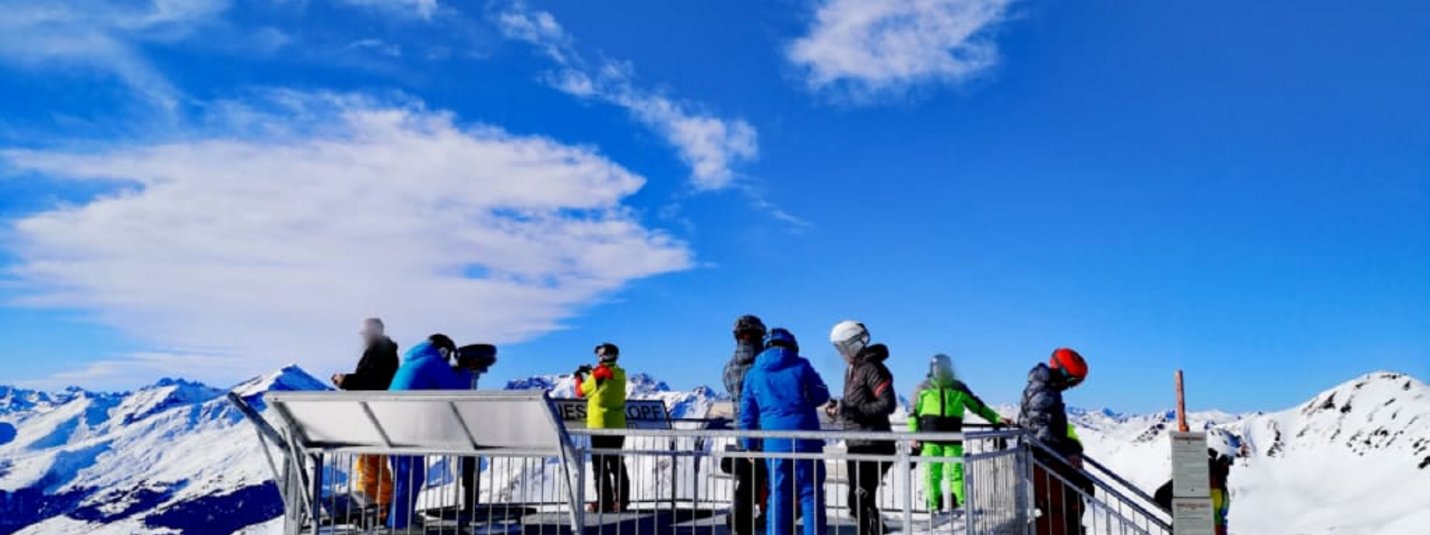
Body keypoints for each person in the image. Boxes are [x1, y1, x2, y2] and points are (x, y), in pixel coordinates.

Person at [738, 328, 830, 535]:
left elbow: (747, 414)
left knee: (778, 495)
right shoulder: (802, 365)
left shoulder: (754, 373)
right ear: (792, 345)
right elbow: (821, 396)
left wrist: (749, 446)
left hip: (774, 442)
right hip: (806, 440)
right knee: (810, 494)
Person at [907, 354, 1010, 512]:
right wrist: (913, 436)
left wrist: (995, 418)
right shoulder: (923, 388)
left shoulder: (958, 387)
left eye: (943, 368)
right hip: (929, 438)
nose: (940, 371)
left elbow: (978, 406)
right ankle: (933, 506)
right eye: (936, 368)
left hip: (953, 437)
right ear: (931, 369)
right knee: (931, 472)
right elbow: (913, 413)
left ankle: (960, 504)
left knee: (955, 471)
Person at [386, 334, 466, 530]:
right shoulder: (433, 362)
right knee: (411, 475)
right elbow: (457, 389)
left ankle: (399, 520)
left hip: (392, 424)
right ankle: (400, 526)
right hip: (408, 426)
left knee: (405, 476)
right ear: (443, 351)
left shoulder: (413, 361)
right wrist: (465, 371)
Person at [827, 320, 898, 535]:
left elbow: (888, 404)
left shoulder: (873, 368)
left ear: (854, 344)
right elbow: (856, 403)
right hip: (857, 445)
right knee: (855, 503)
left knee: (861, 499)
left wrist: (849, 411)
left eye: (842, 347)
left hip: (874, 444)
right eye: (837, 348)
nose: (840, 353)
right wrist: (839, 409)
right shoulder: (852, 370)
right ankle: (877, 531)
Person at [331, 318, 400, 519]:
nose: (362, 336)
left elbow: (372, 381)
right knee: (370, 464)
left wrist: (346, 381)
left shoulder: (382, 352)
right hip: (374, 414)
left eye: (365, 331)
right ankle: (375, 508)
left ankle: (377, 510)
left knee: (372, 465)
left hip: (376, 415)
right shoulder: (381, 351)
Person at [1017, 347, 1090, 535]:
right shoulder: (1044, 392)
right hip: (1042, 460)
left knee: (1067, 506)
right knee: (1059, 510)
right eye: (1073, 381)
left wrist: (1070, 448)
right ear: (1063, 373)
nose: (1072, 386)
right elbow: (1042, 433)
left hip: (1046, 458)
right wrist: (1069, 449)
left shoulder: (1047, 389)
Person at [722, 315, 770, 535]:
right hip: (769, 435)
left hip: (744, 437)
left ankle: (741, 528)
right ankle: (771, 523)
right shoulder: (765, 365)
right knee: (774, 485)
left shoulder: (729, 367)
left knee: (746, 487)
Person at [575, 342, 630, 513]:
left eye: (599, 354)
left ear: (603, 356)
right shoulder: (620, 373)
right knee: (617, 464)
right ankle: (621, 502)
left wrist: (578, 376)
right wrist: (592, 372)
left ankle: (604, 502)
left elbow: (580, 391)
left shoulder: (598, 374)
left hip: (599, 424)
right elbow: (604, 378)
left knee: (600, 466)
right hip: (618, 425)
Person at [454, 344, 498, 517]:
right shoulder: (464, 378)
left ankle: (470, 504)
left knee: (470, 465)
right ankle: (469, 504)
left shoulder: (460, 376)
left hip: (467, 432)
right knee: (469, 465)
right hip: (467, 431)